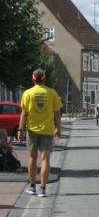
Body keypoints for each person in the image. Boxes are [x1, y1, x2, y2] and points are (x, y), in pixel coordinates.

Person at [18, 68, 62, 197]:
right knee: (45, 158)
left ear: (33, 79)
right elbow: (57, 113)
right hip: (47, 130)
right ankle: (43, 189)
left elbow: (24, 114)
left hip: (32, 130)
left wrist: (20, 129)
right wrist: (58, 128)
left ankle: (32, 187)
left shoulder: (28, 93)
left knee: (32, 157)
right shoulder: (52, 93)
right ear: (44, 79)